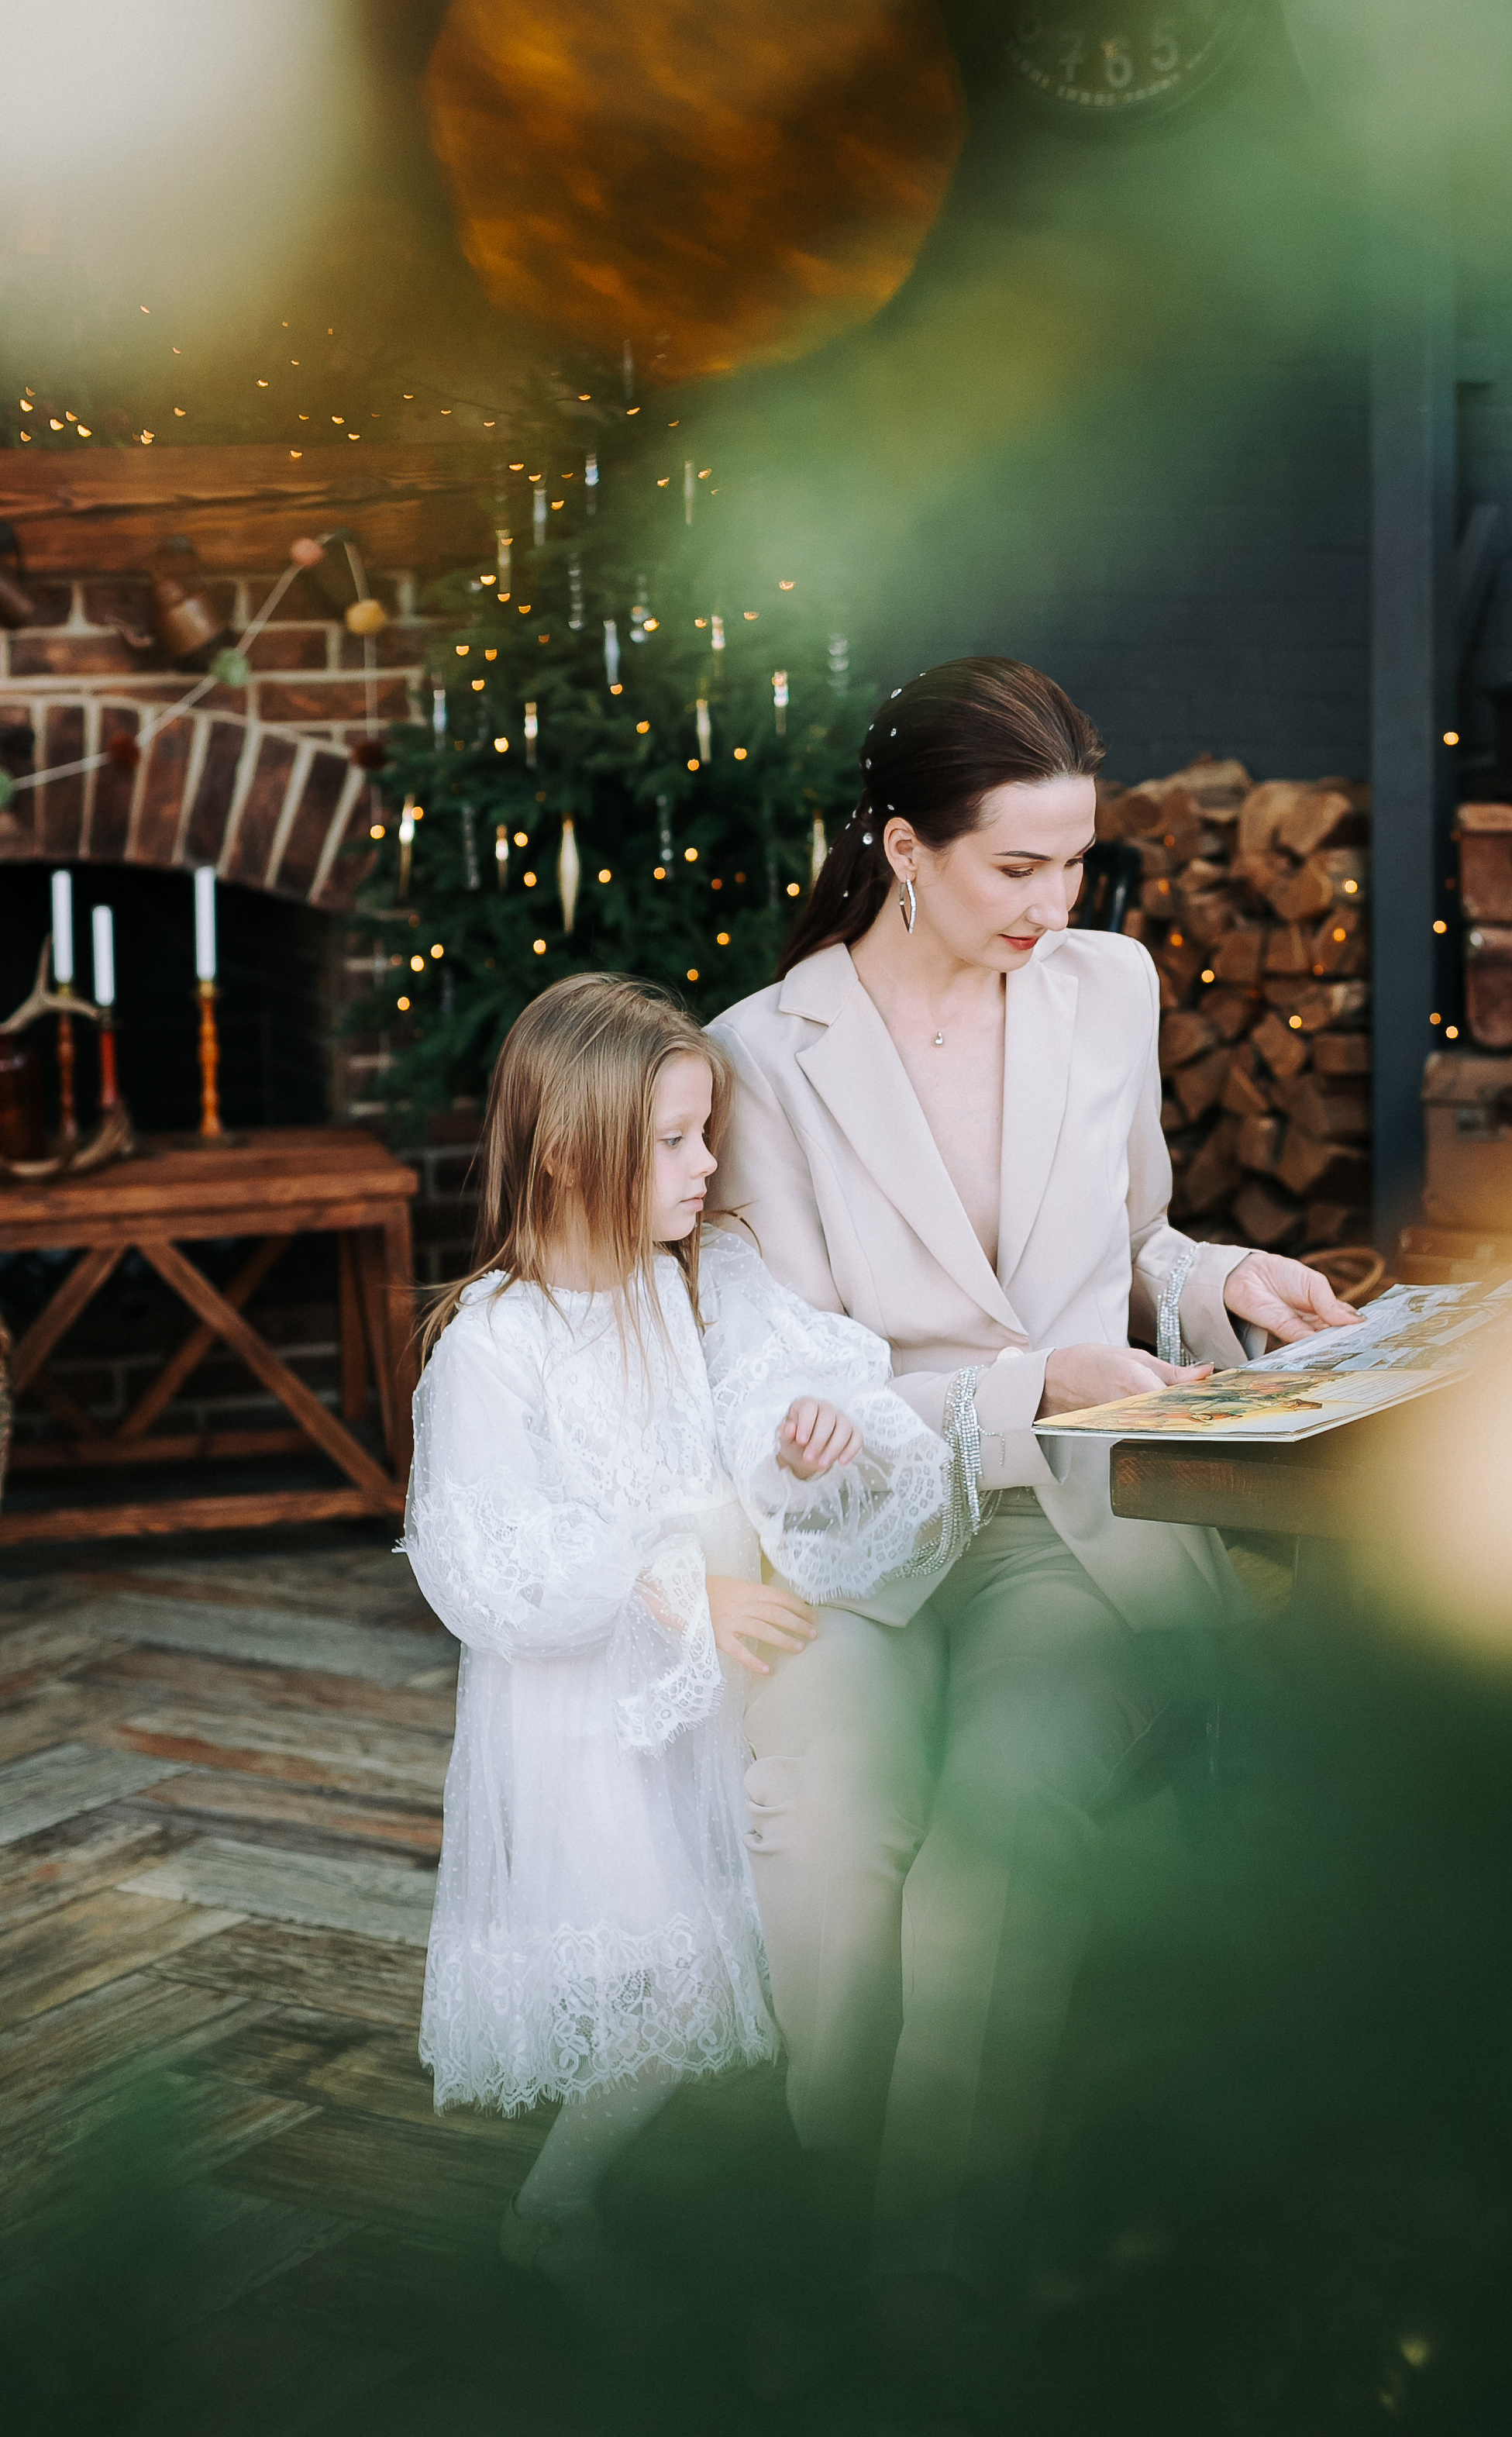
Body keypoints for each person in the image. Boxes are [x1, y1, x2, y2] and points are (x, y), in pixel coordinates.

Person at [708, 657, 1360, 2287]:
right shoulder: (759, 1059)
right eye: (1015, 865)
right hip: (855, 1545)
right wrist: (1019, 1383)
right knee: (834, 1819)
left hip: (1073, 1527)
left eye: (1074, 863)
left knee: (1005, 1822)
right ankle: (811, 2216)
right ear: (900, 847)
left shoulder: (1105, 987)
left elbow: (1130, 1242)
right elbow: (794, 1398)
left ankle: (940, 2289)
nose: (1051, 903)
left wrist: (1218, 1283)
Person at [401, 973, 968, 2277]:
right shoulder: (495, 1344)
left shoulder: (696, 1282)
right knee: (667, 1995)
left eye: (704, 1133)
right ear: (565, 1151)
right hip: (594, 1719)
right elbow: (485, 1557)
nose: (706, 1166)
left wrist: (805, 1429)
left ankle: (767, 2203)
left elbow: (777, 1375)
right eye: (671, 1143)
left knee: (754, 1936)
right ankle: (549, 2214)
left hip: (710, 1699)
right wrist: (675, 1587)